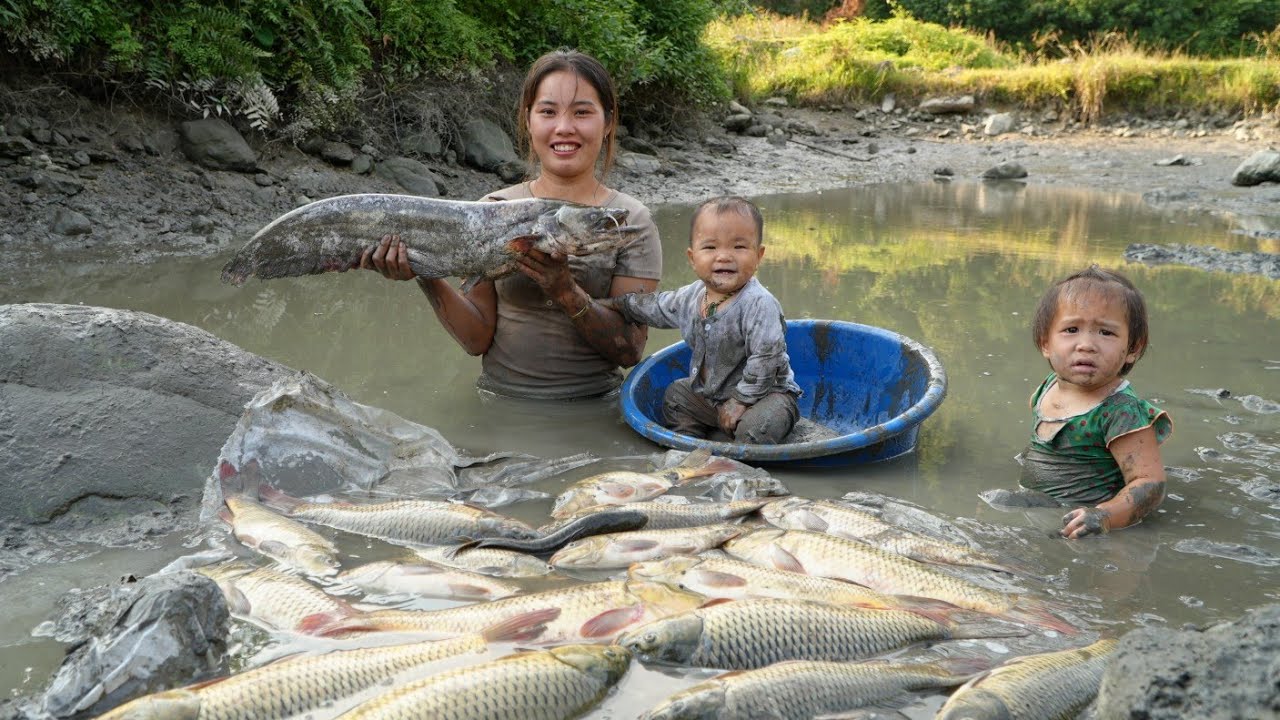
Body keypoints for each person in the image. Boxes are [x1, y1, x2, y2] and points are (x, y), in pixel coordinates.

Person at [361, 49, 662, 400]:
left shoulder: (627, 222)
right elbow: (476, 340)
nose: (564, 127)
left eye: (582, 112)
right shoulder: (493, 209)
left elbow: (629, 352)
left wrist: (565, 290)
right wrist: (424, 270)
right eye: (548, 112)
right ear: (528, 120)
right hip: (498, 402)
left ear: (608, 122)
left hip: (594, 407)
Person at [600, 196, 801, 444]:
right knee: (676, 395)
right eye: (710, 247)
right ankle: (688, 446)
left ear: (758, 256)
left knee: (757, 426)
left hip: (767, 397)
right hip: (713, 397)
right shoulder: (691, 297)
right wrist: (620, 305)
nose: (724, 256)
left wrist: (741, 401)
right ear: (692, 258)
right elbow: (657, 306)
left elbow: (767, 359)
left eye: (739, 247)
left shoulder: (759, 303)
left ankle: (739, 461)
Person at [1019, 265, 1172, 539]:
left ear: (1133, 349)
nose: (1086, 344)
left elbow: (1150, 483)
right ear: (1045, 343)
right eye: (1072, 329)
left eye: (1106, 333)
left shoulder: (1119, 411)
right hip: (1039, 507)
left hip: (1085, 524)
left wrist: (1104, 517)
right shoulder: (1047, 388)